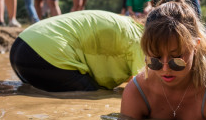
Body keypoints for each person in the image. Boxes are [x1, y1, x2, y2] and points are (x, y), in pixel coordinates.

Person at [120, 0, 206, 120]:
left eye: (176, 59)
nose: (165, 68)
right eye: (155, 59)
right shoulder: (137, 91)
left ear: (195, 46)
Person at [10, 10, 145, 92]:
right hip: (44, 54)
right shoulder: (142, 40)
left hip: (20, 46)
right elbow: (146, 87)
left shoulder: (129, 25)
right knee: (94, 97)